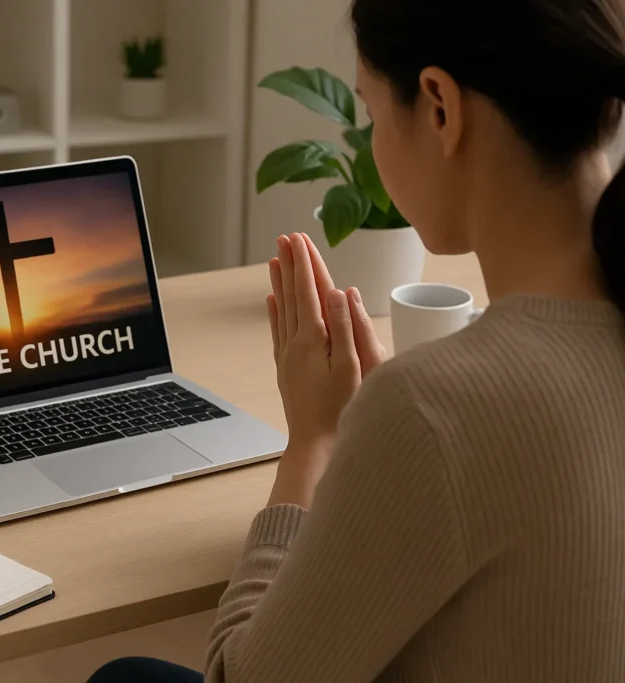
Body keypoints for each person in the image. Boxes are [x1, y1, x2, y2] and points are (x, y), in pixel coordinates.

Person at [88, 0, 625, 681]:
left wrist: (314, 440)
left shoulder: (434, 406)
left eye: (370, 112)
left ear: (439, 107)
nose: (371, 138)